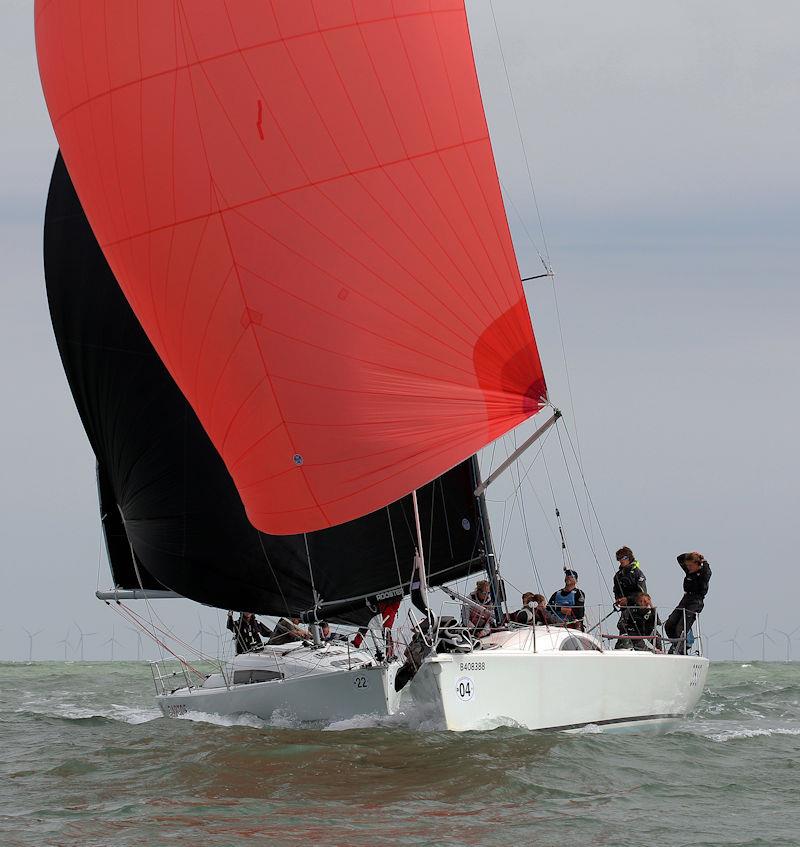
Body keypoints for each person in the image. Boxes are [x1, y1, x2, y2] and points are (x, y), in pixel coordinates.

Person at [664, 551, 712, 654]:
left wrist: (703, 560)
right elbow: (679, 558)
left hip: (696, 602)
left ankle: (682, 649)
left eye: (691, 565)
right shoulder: (689, 571)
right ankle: (675, 645)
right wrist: (691, 554)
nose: (688, 567)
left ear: (698, 564)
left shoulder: (704, 573)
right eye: (687, 565)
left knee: (681, 627)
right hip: (685, 599)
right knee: (669, 624)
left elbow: (707, 571)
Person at [613, 547, 647, 649]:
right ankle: (627, 646)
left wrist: (628, 600)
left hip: (638, 608)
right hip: (626, 609)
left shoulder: (637, 573)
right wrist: (618, 600)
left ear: (628, 558)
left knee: (625, 625)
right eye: (618, 559)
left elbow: (643, 594)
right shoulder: (618, 576)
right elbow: (616, 591)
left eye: (622, 558)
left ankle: (652, 647)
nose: (620, 561)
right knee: (624, 626)